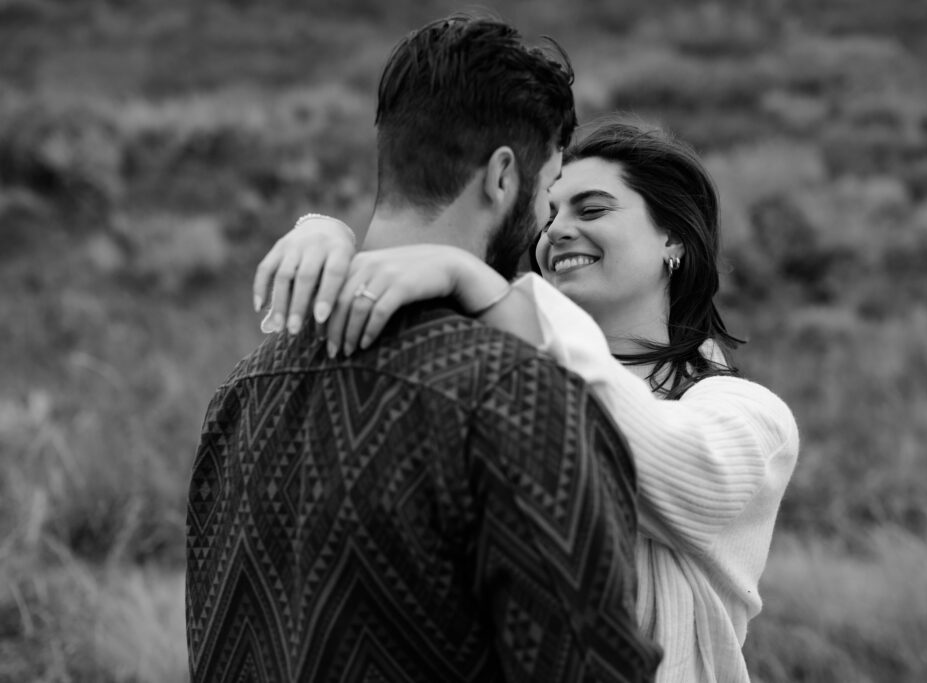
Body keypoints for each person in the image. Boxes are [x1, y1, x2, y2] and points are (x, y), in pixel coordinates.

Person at [187, 17, 662, 683]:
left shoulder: (238, 396)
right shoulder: (516, 395)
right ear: (502, 176)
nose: (548, 226)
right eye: (548, 191)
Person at [258, 121, 800, 683]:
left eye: (591, 211)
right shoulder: (506, 353)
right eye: (550, 211)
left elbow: (671, 467)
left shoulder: (748, 415)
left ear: (674, 239)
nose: (558, 230)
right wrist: (326, 237)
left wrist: (479, 283)